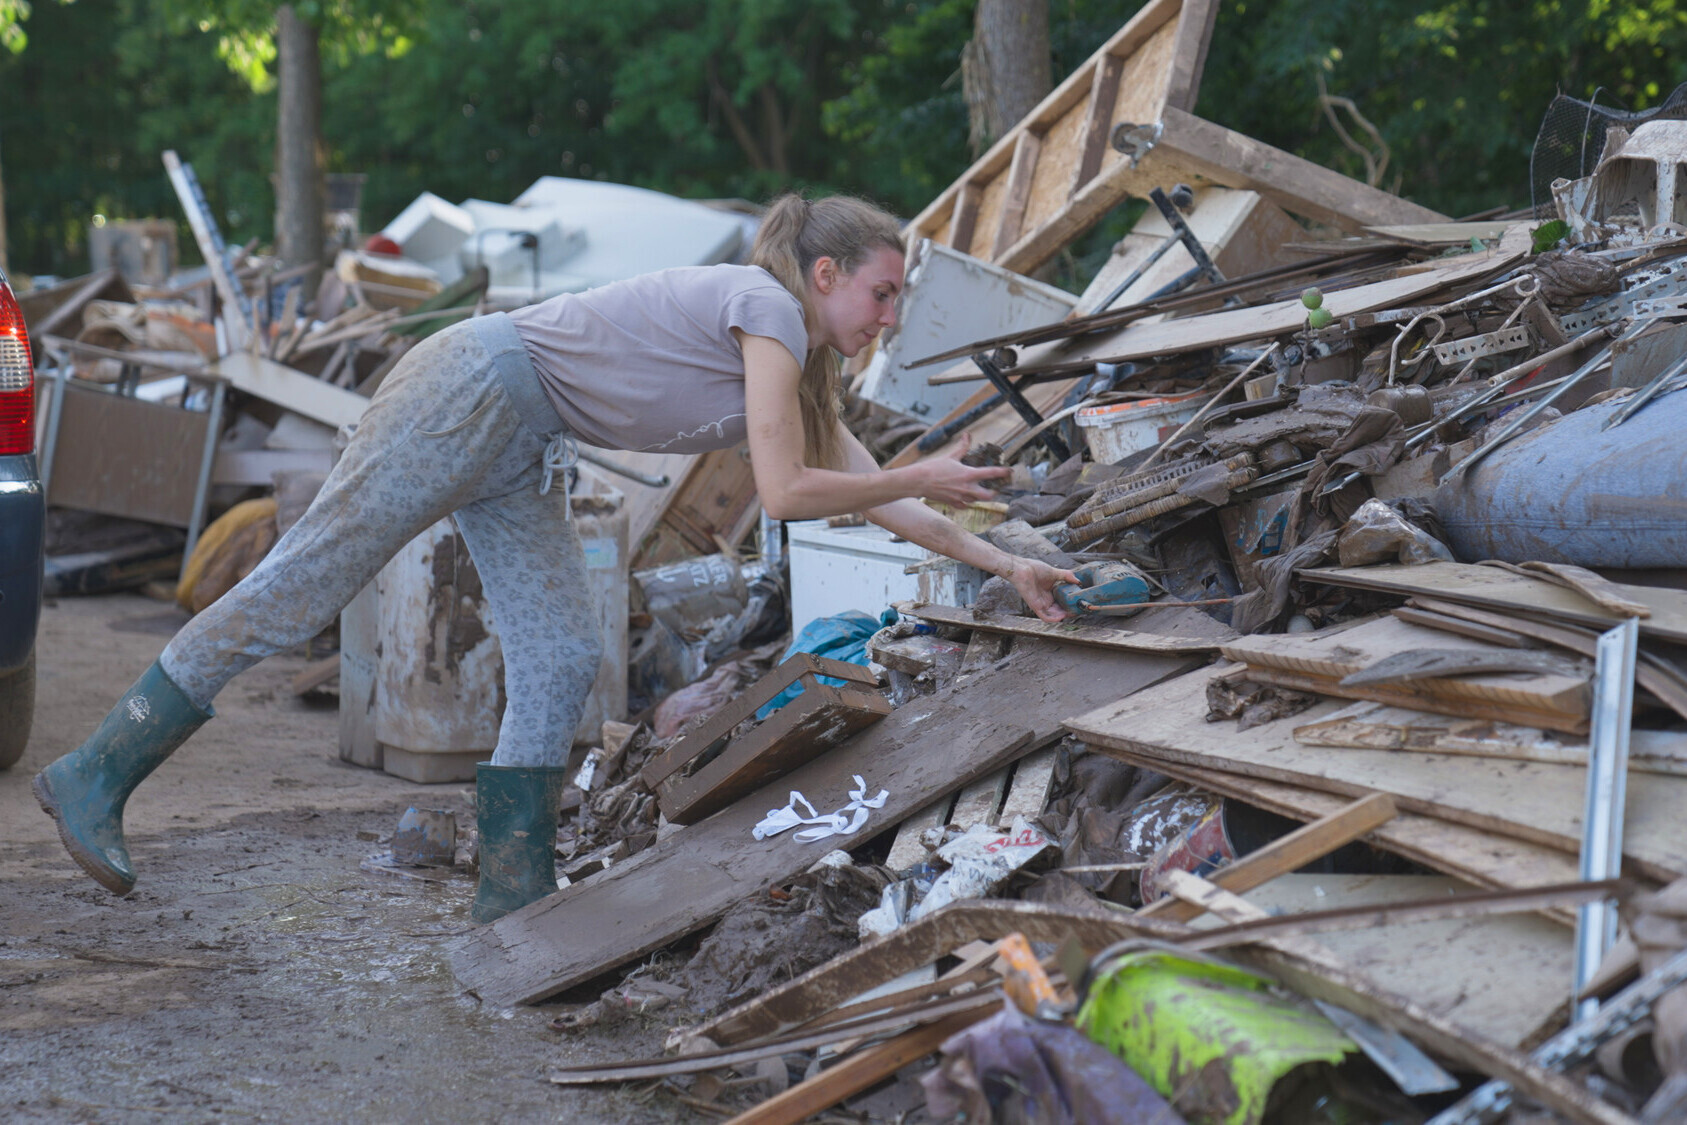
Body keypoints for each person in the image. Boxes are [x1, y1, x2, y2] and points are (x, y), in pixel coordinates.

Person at [32, 193, 1077, 923]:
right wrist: (917, 477)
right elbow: (789, 494)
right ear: (824, 275)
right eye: (882, 294)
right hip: (471, 389)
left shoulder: (802, 370)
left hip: (526, 433)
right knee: (302, 581)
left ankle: (511, 889)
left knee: (563, 654)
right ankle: (98, 770)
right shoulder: (766, 308)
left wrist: (996, 563)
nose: (890, 318)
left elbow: (880, 498)